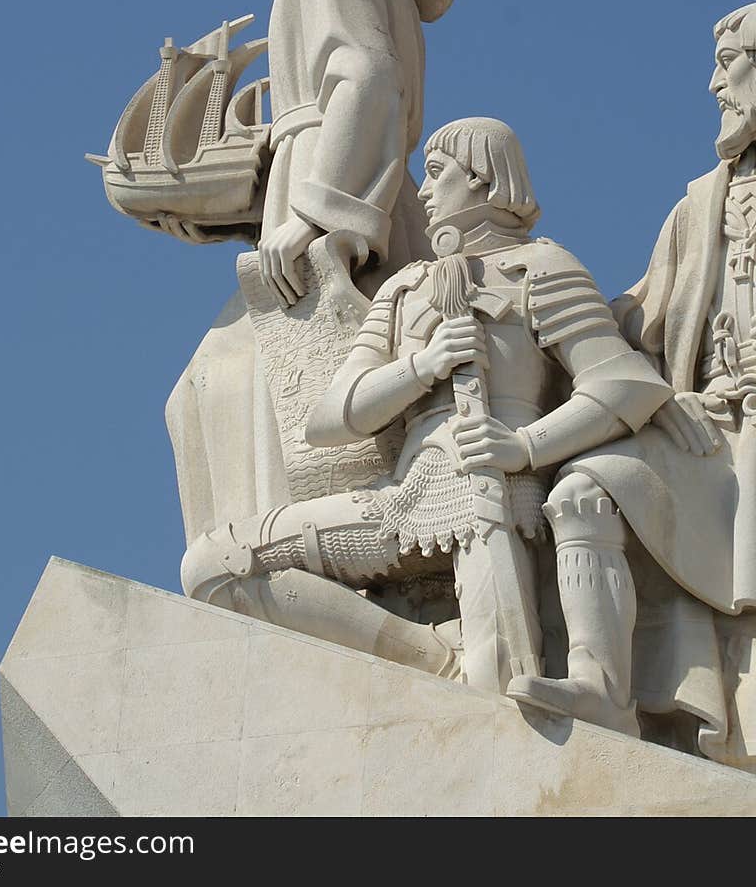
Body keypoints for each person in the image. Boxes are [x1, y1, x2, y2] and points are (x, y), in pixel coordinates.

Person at [181, 117, 670, 693]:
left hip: (494, 490)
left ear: (484, 180)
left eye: (438, 174)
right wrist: (423, 365)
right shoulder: (406, 287)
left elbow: (624, 384)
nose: (422, 191)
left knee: (501, 689)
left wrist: (523, 446)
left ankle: (474, 665)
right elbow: (332, 418)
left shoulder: (538, 268)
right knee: (214, 567)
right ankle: (438, 660)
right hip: (403, 497)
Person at [167, 0, 457, 538]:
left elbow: (367, 76)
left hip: (332, 212)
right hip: (353, 193)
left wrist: (313, 215)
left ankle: (266, 561)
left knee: (219, 390)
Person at [508, 4, 756, 766]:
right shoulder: (699, 207)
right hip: (714, 426)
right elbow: (629, 323)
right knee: (584, 488)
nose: (716, 81)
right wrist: (663, 392)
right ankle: (600, 687)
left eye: (731, 61)